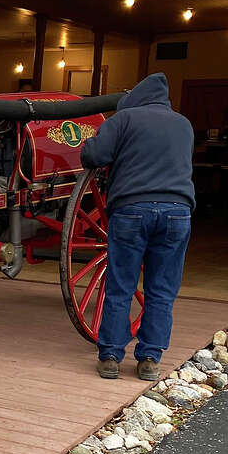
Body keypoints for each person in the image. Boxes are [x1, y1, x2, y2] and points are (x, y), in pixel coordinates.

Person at [80, 73, 194, 382]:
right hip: (176, 211)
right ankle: (149, 360)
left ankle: (111, 358)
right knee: (162, 289)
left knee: (121, 285)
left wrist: (91, 140)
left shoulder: (124, 120)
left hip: (132, 209)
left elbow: (94, 155)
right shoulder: (183, 124)